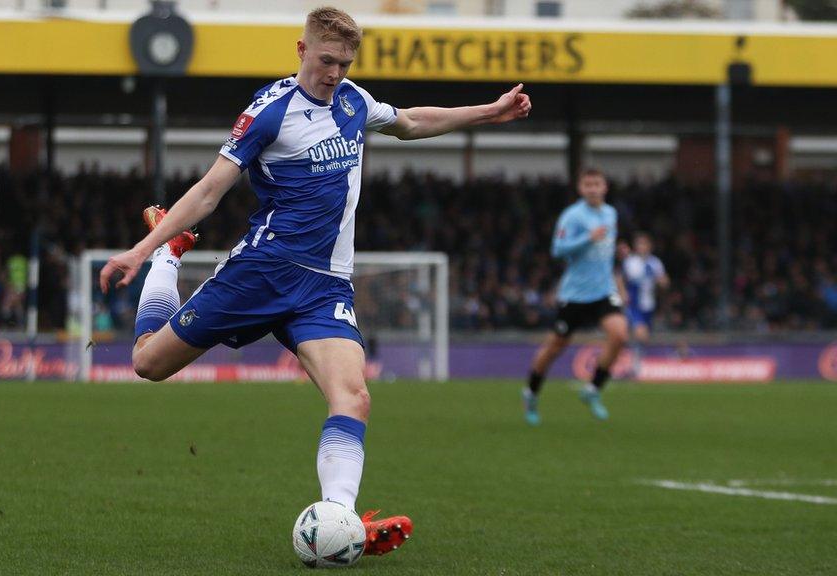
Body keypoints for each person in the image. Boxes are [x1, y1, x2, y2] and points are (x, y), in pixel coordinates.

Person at [99, 6, 531, 557]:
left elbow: (412, 123)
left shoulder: (354, 101)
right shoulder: (270, 112)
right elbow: (210, 190)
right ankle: (173, 257)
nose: (335, 73)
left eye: (345, 63)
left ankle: (341, 521)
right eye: (327, 60)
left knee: (353, 397)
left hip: (325, 286)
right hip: (261, 273)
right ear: (302, 51)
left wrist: (489, 112)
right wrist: (145, 249)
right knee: (147, 364)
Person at [522, 169, 627, 426]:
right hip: (575, 295)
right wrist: (586, 239)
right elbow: (558, 250)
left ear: (605, 187)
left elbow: (605, 251)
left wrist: (619, 257)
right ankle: (532, 393)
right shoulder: (572, 216)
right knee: (555, 347)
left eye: (597, 184)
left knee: (619, 335)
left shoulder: (610, 213)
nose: (592, 188)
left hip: (603, 291)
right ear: (581, 188)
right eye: (587, 184)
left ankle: (592, 390)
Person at [621, 232, 669, 377]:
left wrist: (663, 283)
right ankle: (634, 367)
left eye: (643, 244)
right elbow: (619, 278)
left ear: (649, 246)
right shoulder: (630, 262)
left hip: (648, 305)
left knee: (641, 338)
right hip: (633, 305)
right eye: (638, 244)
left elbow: (664, 281)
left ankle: (636, 366)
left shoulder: (655, 263)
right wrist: (623, 293)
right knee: (640, 334)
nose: (641, 247)